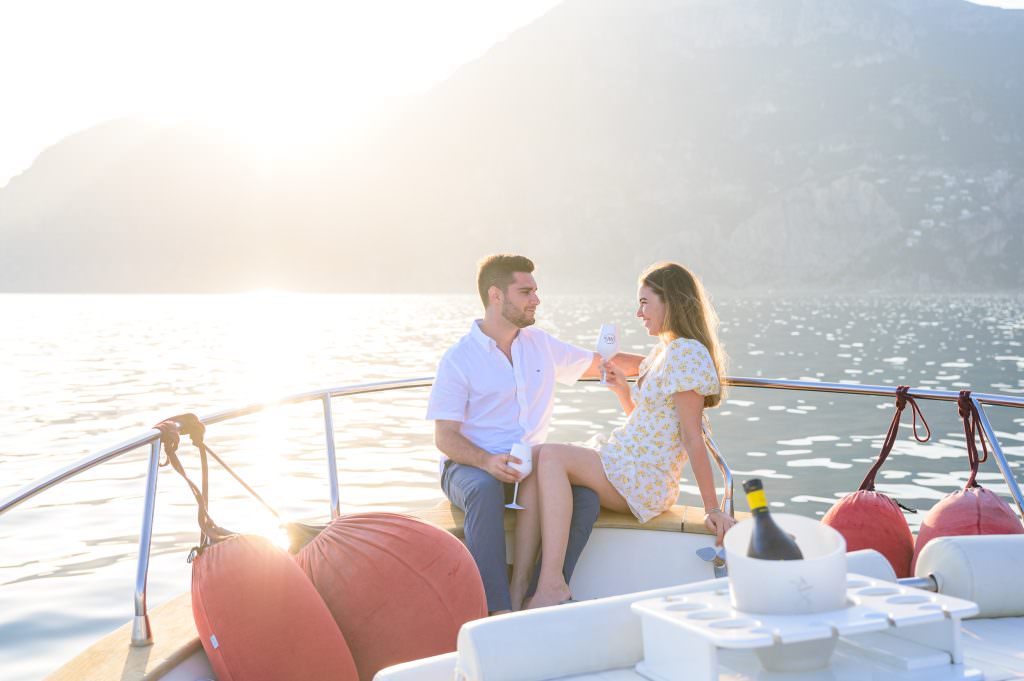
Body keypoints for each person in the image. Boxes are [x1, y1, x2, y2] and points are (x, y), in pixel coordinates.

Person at [511, 261, 736, 609]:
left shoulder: (687, 353)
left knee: (551, 456)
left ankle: (552, 583)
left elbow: (690, 436)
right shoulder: (666, 351)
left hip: (646, 479)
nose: (638, 313)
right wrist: (623, 393)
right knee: (537, 454)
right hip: (628, 465)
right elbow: (652, 428)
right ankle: (521, 582)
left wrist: (712, 506)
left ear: (671, 301)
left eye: (645, 302)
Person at [426, 254, 643, 614]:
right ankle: (496, 609)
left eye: (536, 291)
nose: (536, 300)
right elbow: (445, 437)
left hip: (529, 467)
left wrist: (664, 363)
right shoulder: (458, 359)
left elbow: (600, 364)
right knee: (483, 491)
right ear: (496, 295)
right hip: (470, 467)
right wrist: (487, 461)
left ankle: (542, 593)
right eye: (526, 291)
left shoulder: (539, 343)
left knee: (586, 498)